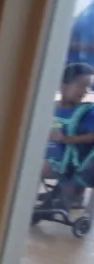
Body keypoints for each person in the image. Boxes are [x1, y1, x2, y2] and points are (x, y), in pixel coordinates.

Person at [47, 63, 94, 212]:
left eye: (87, 87)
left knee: (32, 166)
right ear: (63, 85)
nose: (84, 91)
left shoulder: (86, 112)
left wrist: (68, 139)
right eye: (80, 85)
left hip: (67, 163)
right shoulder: (50, 107)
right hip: (49, 154)